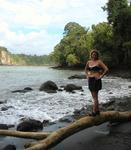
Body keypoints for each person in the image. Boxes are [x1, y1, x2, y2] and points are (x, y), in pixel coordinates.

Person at [85, 49, 109, 116]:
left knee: (95, 97)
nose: (94, 55)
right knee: (95, 97)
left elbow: (106, 69)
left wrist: (101, 76)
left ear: (97, 55)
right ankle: (97, 111)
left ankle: (94, 112)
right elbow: (86, 69)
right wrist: (87, 75)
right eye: (93, 54)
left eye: (95, 54)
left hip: (96, 80)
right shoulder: (88, 62)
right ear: (91, 55)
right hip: (90, 80)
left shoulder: (99, 62)